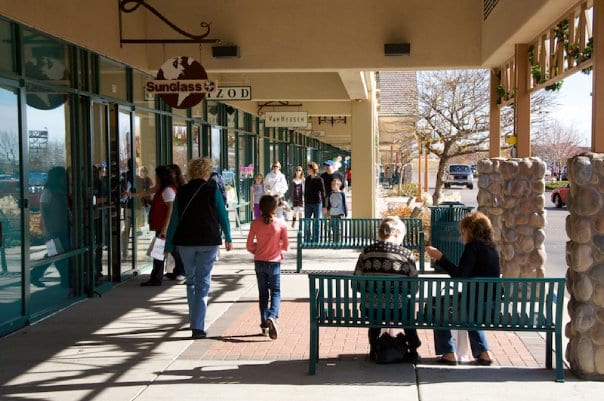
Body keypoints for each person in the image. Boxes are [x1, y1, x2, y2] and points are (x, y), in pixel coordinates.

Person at [165, 157, 233, 339]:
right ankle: (197, 325)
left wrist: (169, 243)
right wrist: (228, 236)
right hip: (208, 240)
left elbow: (174, 220)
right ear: (206, 172)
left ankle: (193, 318)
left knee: (191, 280)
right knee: (203, 282)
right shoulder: (213, 190)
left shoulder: (182, 191)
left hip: (186, 242)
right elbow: (222, 214)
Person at [425, 211, 501, 366]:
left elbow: (460, 276)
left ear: (470, 230)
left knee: (437, 305)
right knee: (468, 307)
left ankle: (448, 352)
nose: (462, 233)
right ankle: (483, 352)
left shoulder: (473, 247)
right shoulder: (491, 248)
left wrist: (441, 258)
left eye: (463, 230)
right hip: (490, 305)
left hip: (476, 306)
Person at [354, 216, 421, 363]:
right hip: (399, 309)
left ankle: (373, 347)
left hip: (370, 308)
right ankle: (414, 348)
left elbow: (356, 283)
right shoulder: (406, 254)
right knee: (407, 306)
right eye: (402, 237)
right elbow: (414, 287)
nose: (402, 241)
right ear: (396, 233)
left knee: (373, 304)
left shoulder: (366, 252)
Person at [246, 195, 289, 339]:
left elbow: (249, 245)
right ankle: (272, 316)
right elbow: (286, 245)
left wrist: (257, 250)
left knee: (263, 294)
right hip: (274, 262)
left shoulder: (255, 223)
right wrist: (277, 248)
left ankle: (264, 325)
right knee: (275, 292)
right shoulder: (280, 224)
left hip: (259, 262)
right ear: (275, 208)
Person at [31, 166, 72, 288]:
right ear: (56, 178)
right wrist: (47, 229)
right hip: (52, 229)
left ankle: (34, 275)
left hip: (62, 227)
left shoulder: (61, 191)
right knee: (59, 255)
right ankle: (65, 280)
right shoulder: (48, 191)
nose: (64, 179)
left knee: (54, 254)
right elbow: (44, 211)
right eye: (62, 177)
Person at [141, 165, 176, 286]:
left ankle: (156, 278)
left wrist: (164, 228)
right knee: (161, 251)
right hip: (162, 226)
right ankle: (158, 276)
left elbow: (170, 209)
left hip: (164, 227)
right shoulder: (163, 189)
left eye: (156, 175)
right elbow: (152, 194)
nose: (155, 177)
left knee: (158, 252)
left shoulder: (167, 190)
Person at [165, 164, 187, 283]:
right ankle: (175, 270)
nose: (170, 175)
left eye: (171, 173)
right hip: (174, 219)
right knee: (174, 248)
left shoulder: (179, 187)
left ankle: (181, 271)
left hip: (178, 220)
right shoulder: (170, 186)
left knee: (176, 248)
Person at [303, 162, 326, 242]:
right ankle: (307, 239)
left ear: (313, 169)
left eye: (309, 168)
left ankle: (316, 239)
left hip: (317, 203)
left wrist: (324, 205)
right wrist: (305, 202)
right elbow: (305, 191)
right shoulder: (307, 179)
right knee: (307, 221)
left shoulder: (319, 179)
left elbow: (323, 192)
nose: (308, 170)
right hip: (308, 203)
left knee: (316, 221)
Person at [327, 178, 347, 242]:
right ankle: (335, 241)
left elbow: (344, 203)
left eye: (334, 185)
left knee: (339, 228)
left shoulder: (342, 194)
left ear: (338, 185)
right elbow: (329, 203)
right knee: (333, 227)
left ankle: (338, 241)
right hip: (333, 213)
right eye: (332, 185)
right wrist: (328, 210)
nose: (332, 186)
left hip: (340, 213)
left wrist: (345, 213)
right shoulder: (331, 194)